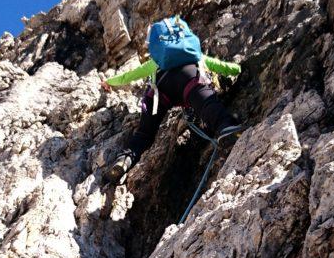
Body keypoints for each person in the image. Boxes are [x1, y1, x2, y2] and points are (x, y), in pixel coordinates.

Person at [100, 18, 242, 183]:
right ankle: (227, 128)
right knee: (207, 105)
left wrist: (109, 82)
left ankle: (125, 159)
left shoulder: (156, 61)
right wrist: (238, 68)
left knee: (144, 134)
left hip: (160, 91)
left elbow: (129, 75)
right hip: (189, 78)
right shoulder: (194, 55)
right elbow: (221, 66)